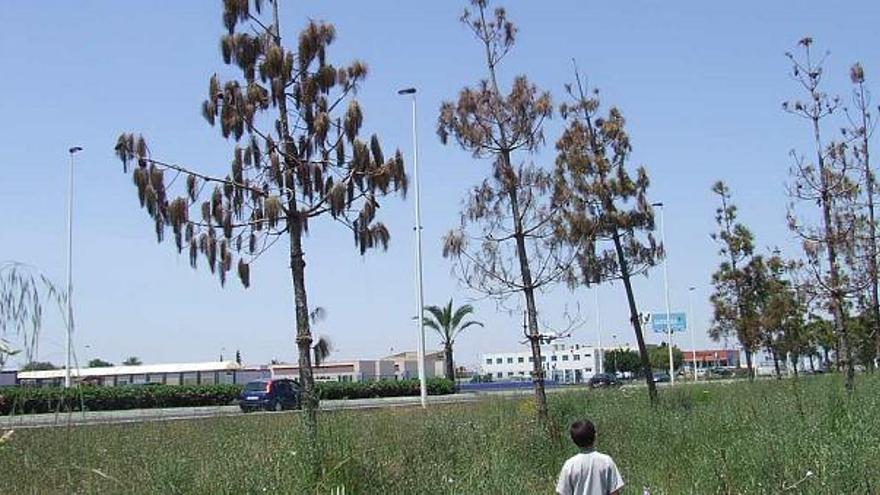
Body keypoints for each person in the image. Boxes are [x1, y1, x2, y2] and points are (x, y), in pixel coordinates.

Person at [556, 419, 624, 495]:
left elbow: (564, 492)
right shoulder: (606, 461)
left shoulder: (569, 465)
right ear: (595, 436)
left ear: (574, 441)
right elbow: (614, 492)